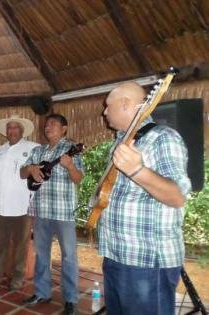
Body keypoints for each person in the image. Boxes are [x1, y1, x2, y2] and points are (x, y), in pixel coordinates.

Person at [98, 82, 191, 314]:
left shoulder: (163, 137)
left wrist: (138, 170)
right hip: (115, 254)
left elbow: (178, 196)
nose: (104, 112)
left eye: (108, 106)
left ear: (126, 104)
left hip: (147, 262)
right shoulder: (120, 143)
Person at [20, 113, 84, 315]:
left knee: (69, 257)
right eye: (46, 125)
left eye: (53, 124)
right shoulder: (38, 150)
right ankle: (41, 292)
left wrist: (70, 166)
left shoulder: (71, 150)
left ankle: (71, 300)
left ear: (64, 128)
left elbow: (78, 179)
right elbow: (22, 173)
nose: (48, 127)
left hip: (64, 213)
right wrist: (30, 168)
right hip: (41, 211)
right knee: (41, 255)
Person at [0, 115, 39, 290]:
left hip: (23, 206)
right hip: (0, 206)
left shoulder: (33, 148)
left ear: (22, 131)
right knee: (0, 245)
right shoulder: (0, 150)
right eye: (9, 128)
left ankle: (18, 277)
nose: (12, 131)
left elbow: (41, 174)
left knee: (21, 245)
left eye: (15, 128)